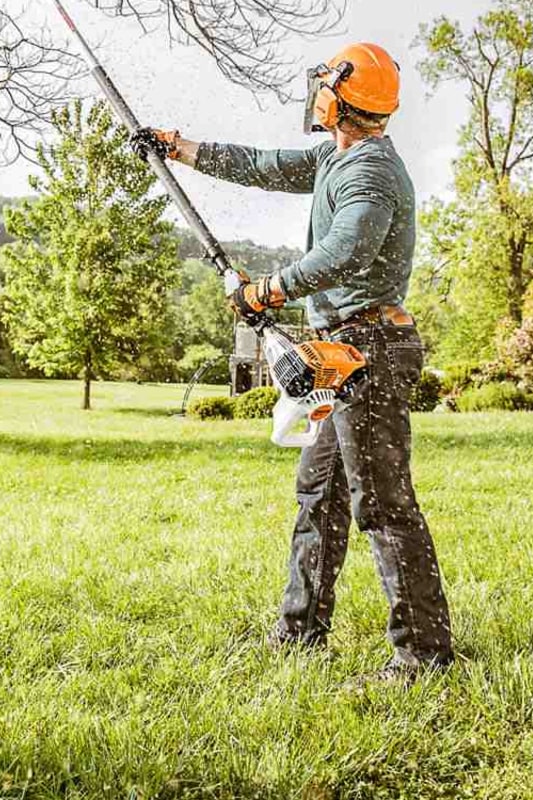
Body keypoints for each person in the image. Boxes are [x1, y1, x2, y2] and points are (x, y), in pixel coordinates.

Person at [135, 42, 453, 682]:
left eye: (321, 86)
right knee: (319, 496)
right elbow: (259, 164)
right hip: (341, 351)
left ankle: (424, 655)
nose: (313, 94)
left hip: (369, 351)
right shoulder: (336, 157)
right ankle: (300, 631)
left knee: (383, 504)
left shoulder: (370, 174)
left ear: (340, 96)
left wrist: (267, 291)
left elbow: (345, 252)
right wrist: (178, 147)